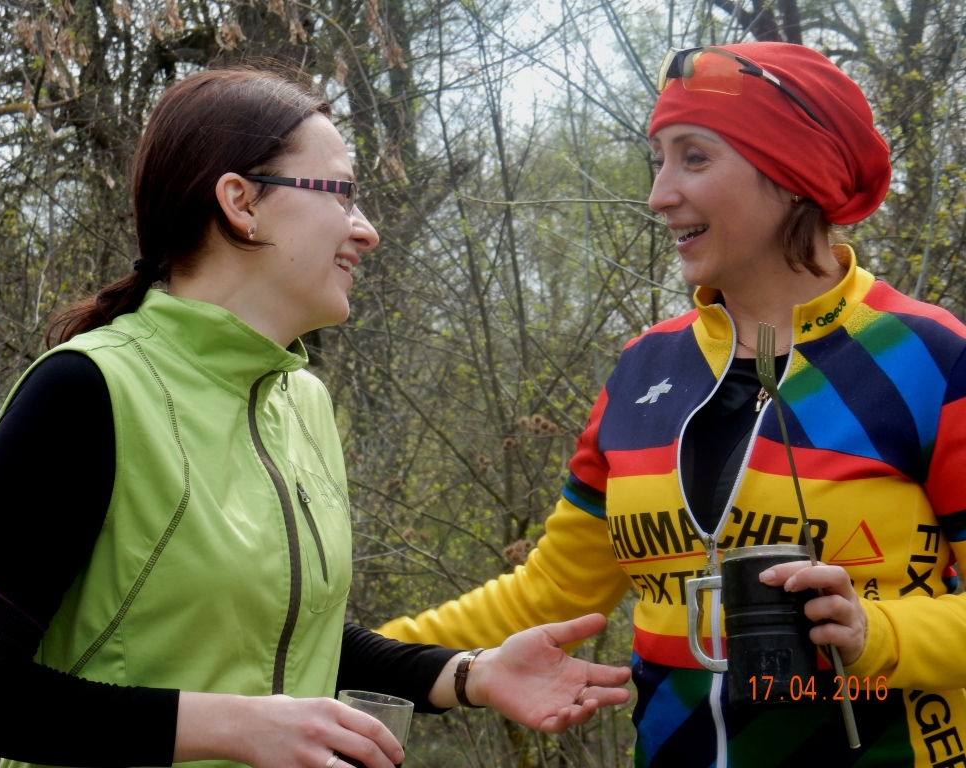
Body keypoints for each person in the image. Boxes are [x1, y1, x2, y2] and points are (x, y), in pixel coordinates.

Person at [0, 68, 632, 768]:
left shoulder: (303, 402)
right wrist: (233, 727)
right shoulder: (87, 390)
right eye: (343, 194)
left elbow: (289, 640)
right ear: (241, 202)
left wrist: (468, 674)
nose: (367, 231)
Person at [379, 42, 966, 767]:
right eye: (658, 161)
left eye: (694, 158)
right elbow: (551, 591)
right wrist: (354, 656)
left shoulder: (929, 359)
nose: (659, 194)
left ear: (794, 174)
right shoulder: (644, 368)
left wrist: (877, 635)